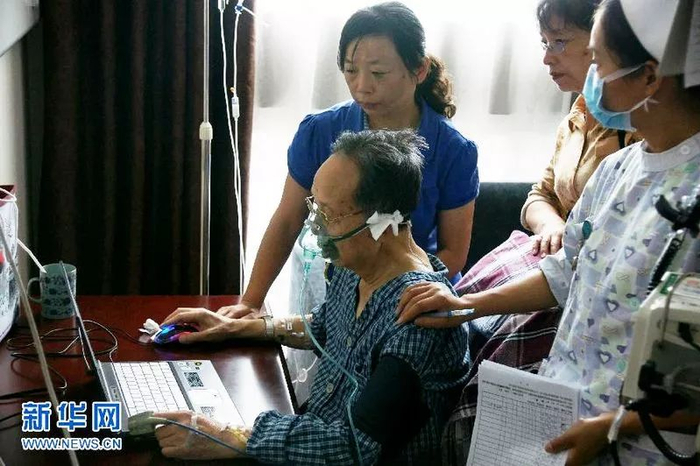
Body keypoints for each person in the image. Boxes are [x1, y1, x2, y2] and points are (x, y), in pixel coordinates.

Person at [398, 0, 700, 464]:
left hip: (642, 444)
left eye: (599, 61)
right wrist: (466, 305)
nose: (590, 77)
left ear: (649, 76)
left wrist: (619, 425)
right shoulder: (617, 170)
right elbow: (565, 272)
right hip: (559, 409)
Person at [154, 130, 471, 464]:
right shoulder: (358, 265)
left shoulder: (419, 316)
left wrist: (231, 437)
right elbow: (323, 326)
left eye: (328, 215)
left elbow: (354, 447)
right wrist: (234, 327)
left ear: (380, 222)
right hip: (312, 434)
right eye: (314, 207)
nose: (314, 226)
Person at [219, 1, 479, 320]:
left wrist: (390, 292)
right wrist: (251, 301)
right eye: (351, 70)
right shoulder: (320, 131)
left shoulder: (455, 150)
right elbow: (288, 220)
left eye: (378, 73)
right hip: (343, 288)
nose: (362, 87)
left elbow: (453, 253)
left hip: (416, 294)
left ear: (419, 70)